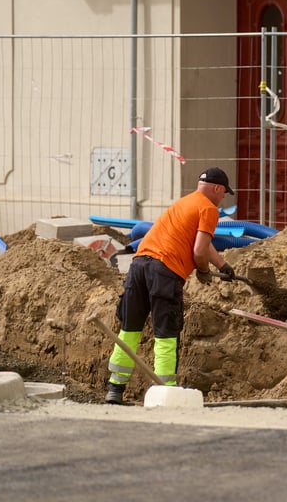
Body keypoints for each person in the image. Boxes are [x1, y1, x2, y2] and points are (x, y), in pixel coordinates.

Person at [104, 167, 237, 404]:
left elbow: (201, 244)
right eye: (223, 193)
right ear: (217, 188)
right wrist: (204, 271)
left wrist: (222, 264)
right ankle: (166, 392)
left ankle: (115, 389)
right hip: (164, 272)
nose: (222, 198)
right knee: (166, 334)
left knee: (130, 329)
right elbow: (198, 251)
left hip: (138, 267)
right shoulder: (208, 208)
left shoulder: (185, 203)